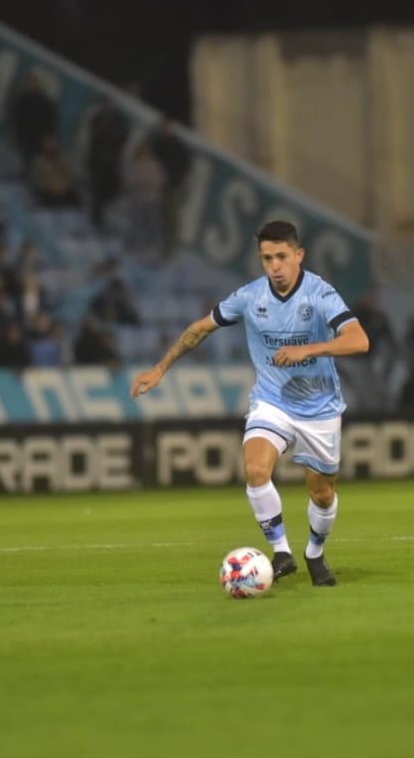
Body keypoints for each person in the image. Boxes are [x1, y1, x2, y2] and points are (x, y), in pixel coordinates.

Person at [131, 221, 370, 587]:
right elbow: (199, 329)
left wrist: (308, 348)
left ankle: (315, 554)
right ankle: (281, 552)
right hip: (271, 402)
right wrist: (161, 368)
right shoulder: (249, 296)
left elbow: (358, 340)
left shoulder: (321, 294)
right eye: (267, 258)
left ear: (298, 255)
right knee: (256, 470)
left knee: (322, 495)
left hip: (320, 407)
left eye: (281, 257)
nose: (275, 266)